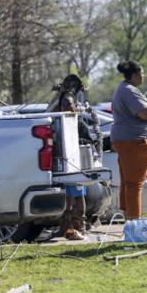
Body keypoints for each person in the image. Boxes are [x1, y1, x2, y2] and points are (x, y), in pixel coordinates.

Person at [110, 60, 147, 220]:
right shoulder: (129, 90)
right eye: (142, 73)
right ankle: (134, 224)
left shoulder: (123, 89)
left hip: (126, 141)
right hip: (135, 142)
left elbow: (141, 115)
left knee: (128, 183)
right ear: (135, 75)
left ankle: (129, 222)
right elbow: (145, 114)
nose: (143, 76)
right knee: (135, 184)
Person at [49, 74, 87, 240]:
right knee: (72, 193)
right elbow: (70, 109)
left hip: (68, 151)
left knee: (77, 192)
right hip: (68, 152)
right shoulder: (67, 98)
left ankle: (80, 225)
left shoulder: (62, 97)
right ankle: (67, 226)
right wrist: (78, 109)